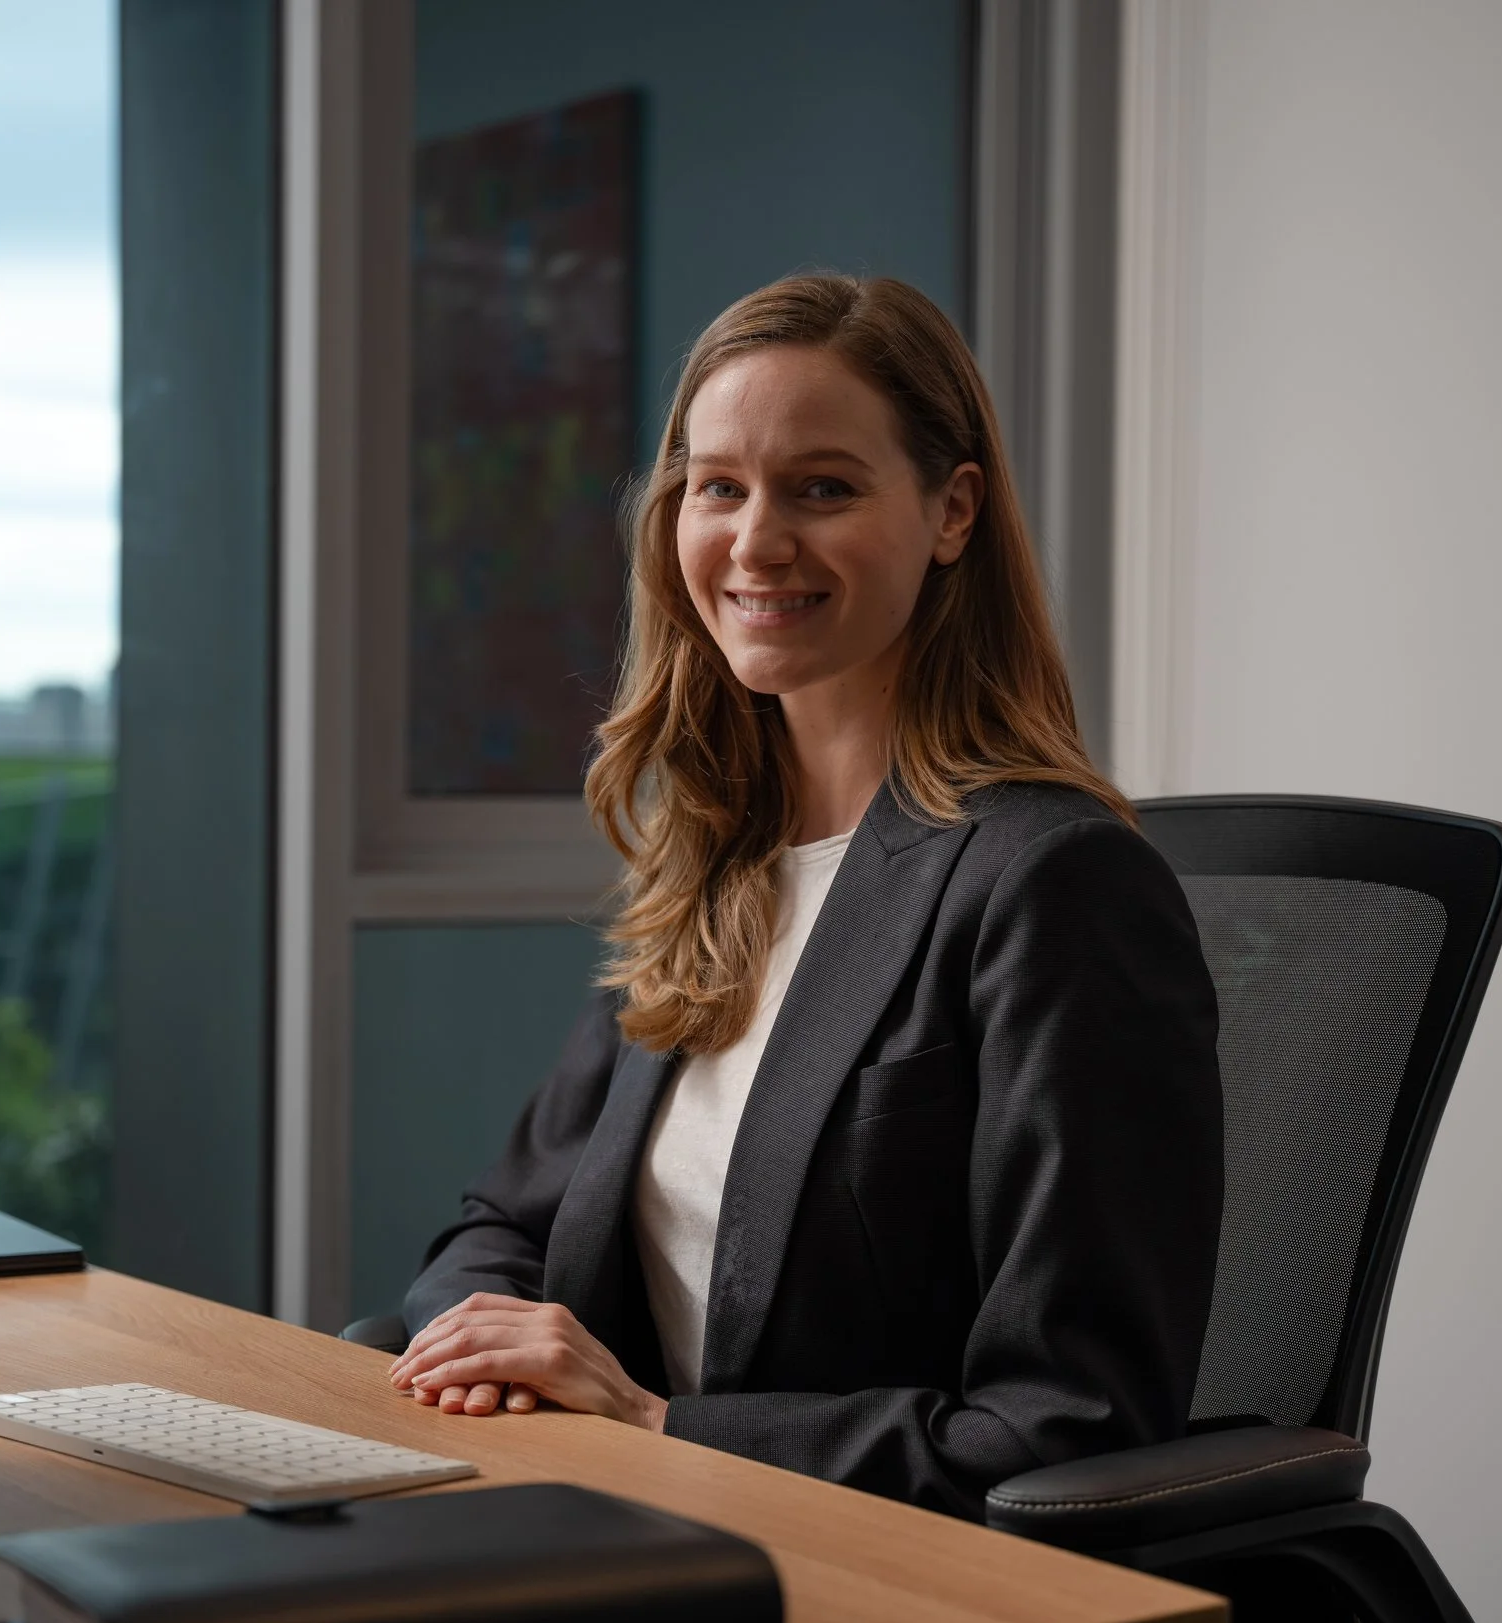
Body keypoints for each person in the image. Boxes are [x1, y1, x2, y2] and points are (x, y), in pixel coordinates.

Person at [388, 273, 1223, 1521]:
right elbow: (503, 1221)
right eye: (718, 486)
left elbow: (1069, 1420)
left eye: (822, 488)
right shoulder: (716, 861)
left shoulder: (1053, 885)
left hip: (868, 1576)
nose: (755, 539)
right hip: (628, 1528)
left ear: (953, 512)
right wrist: (488, 1354)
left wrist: (657, 1422)